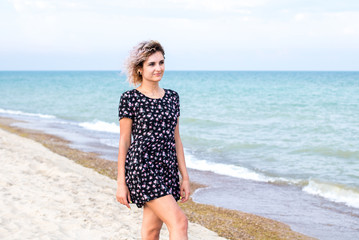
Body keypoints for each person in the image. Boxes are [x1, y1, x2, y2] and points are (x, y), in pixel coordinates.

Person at [116, 40, 190, 240]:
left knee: (151, 231)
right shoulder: (130, 98)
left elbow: (176, 139)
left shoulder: (172, 98)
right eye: (151, 64)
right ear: (139, 69)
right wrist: (121, 183)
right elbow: (124, 142)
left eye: (161, 62)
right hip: (142, 167)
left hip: (167, 167)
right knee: (180, 222)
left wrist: (185, 176)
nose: (158, 68)